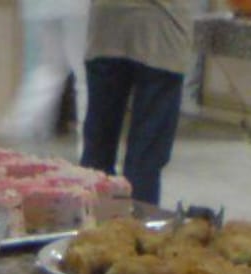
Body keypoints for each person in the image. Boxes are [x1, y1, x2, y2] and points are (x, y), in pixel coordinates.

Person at [79, 0, 196, 207]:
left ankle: (91, 219)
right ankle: (136, 221)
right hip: (161, 28)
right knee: (146, 153)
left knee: (98, 145)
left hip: (106, 22)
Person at [0, 0, 91, 143]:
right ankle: (88, 134)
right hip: (76, 8)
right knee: (83, 72)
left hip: (40, 7)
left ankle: (22, 123)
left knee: (51, 67)